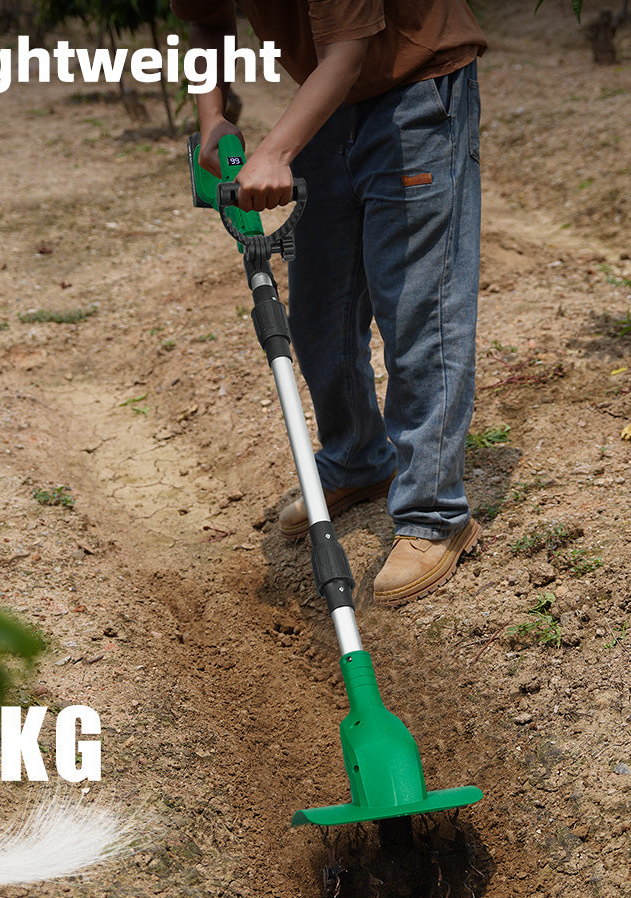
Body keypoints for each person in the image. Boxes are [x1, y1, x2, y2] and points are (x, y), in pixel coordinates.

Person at [173, 1, 486, 607]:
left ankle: (434, 513)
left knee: (419, 310)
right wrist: (212, 117)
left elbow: (346, 52)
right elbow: (208, 22)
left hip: (417, 90)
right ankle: (357, 457)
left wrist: (277, 152)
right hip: (326, 100)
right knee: (320, 312)